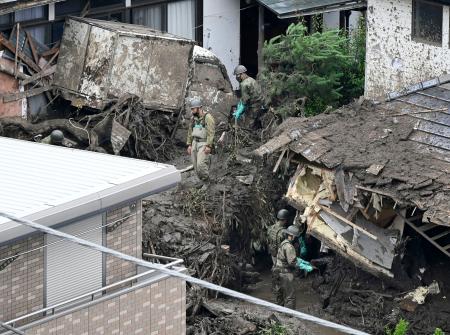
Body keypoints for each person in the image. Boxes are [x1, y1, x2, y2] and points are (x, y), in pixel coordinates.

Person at [186, 97, 215, 183]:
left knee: (200, 164)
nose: (192, 111)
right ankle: (202, 181)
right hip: (195, 142)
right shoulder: (193, 118)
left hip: (203, 143)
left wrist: (209, 146)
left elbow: (211, 132)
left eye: (193, 109)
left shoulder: (208, 117)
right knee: (195, 166)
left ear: (199, 108)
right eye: (191, 109)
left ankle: (207, 182)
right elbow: (190, 131)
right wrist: (189, 145)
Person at [273, 225, 301, 309]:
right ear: (292, 236)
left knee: (280, 294)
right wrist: (302, 265)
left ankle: (279, 312)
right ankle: (289, 316)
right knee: (290, 296)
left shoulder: (283, 243)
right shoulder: (289, 247)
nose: (296, 239)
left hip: (278, 272)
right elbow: (292, 262)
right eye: (295, 237)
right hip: (286, 274)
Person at [233, 65, 264, 129]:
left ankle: (251, 134)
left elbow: (245, 100)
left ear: (241, 74)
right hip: (261, 103)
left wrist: (239, 110)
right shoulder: (252, 79)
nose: (236, 77)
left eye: (237, 75)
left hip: (254, 106)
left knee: (248, 124)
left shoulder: (243, 84)